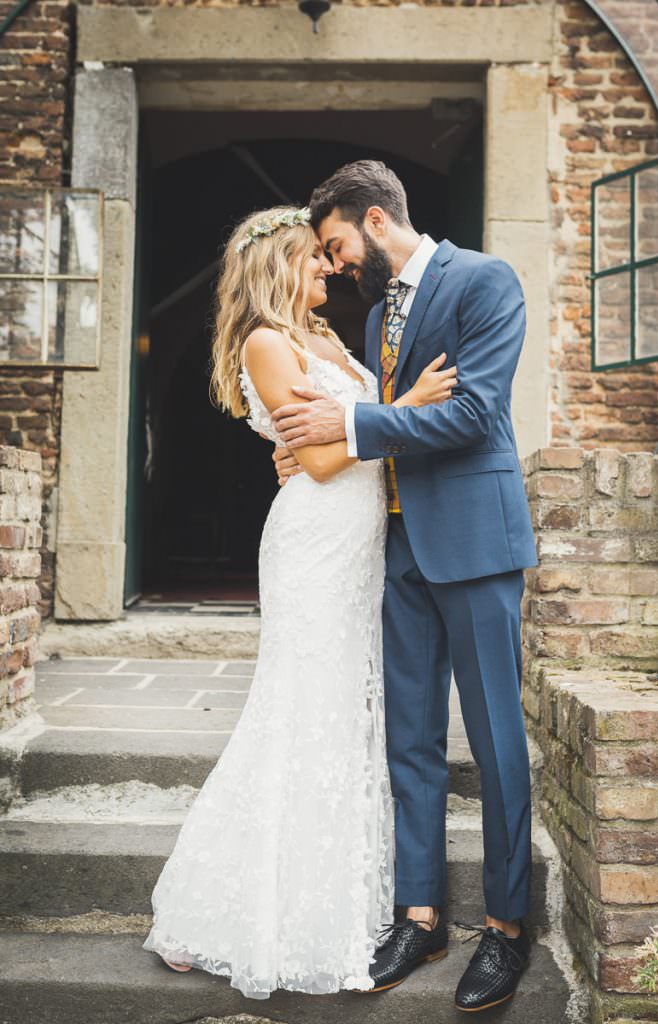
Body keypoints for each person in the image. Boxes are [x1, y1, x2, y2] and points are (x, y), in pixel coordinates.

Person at [141, 204, 458, 999]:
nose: (327, 268)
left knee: (344, 714)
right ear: (275, 265)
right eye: (312, 258)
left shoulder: (325, 341)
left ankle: (325, 898)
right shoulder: (266, 342)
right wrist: (411, 407)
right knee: (298, 711)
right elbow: (317, 462)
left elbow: (335, 440)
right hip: (314, 544)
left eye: (325, 256)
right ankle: (222, 912)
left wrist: (367, 426)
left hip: (357, 547)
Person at [272, 161, 539, 1012]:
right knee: (410, 741)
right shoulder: (382, 309)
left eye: (338, 245)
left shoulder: (485, 280)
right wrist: (318, 444)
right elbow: (374, 425)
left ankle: (504, 927)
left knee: (495, 743)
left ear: (376, 222)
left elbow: (474, 414)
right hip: (394, 549)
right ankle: (419, 916)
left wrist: (349, 423)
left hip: (473, 541)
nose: (338, 264)